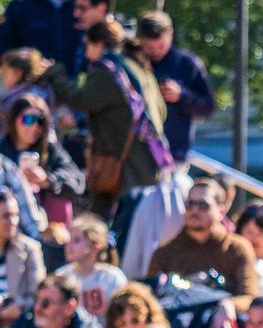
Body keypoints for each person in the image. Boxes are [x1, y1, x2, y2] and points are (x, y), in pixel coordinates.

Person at [46, 18, 172, 216]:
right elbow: (162, 110)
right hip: (146, 162)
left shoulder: (109, 71)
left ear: (99, 44)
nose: (86, 52)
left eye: (87, 44)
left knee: (116, 224)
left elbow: (80, 98)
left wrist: (56, 72)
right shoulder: (136, 64)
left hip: (125, 167)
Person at [145, 178, 258, 314]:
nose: (194, 210)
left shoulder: (237, 248)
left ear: (221, 211)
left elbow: (250, 298)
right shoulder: (164, 254)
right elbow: (148, 301)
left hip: (222, 325)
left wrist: (227, 305)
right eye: (190, 204)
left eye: (203, 205)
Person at [134, 11, 215, 166]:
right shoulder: (133, 62)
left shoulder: (187, 63)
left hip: (173, 155)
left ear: (170, 33)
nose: (156, 51)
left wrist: (182, 95)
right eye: (150, 47)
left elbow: (207, 107)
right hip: (138, 154)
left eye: (161, 46)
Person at [3, 93, 82, 226]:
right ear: (14, 120)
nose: (34, 127)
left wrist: (47, 181)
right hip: (9, 224)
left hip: (46, 225)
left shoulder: (50, 150)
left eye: (40, 121)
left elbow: (77, 179)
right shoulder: (2, 151)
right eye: (28, 120)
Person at [55, 213, 123, 320]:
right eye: (68, 240)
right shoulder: (61, 276)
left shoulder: (112, 278)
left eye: (76, 240)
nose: (69, 246)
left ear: (95, 245)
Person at [0, 188, 45, 328]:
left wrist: (13, 308)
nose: (13, 221)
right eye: (6, 216)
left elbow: (39, 296)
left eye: (16, 215)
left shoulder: (30, 249)